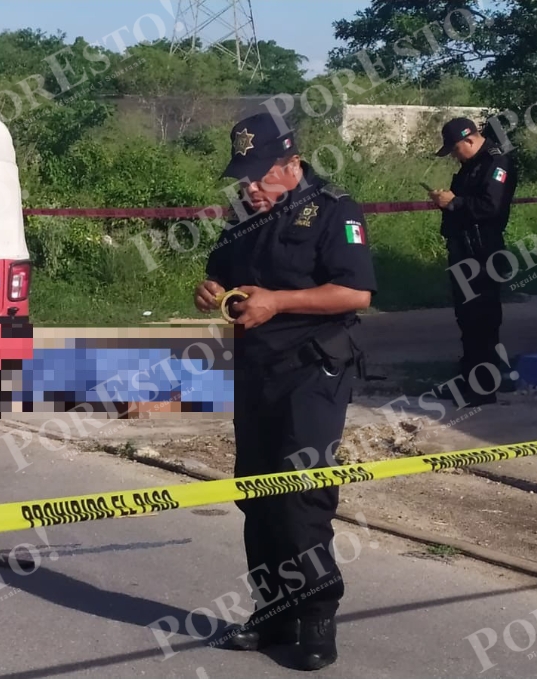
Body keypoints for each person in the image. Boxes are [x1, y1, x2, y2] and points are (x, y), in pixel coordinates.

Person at [194, 111, 376, 671]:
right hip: (256, 369)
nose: (250, 186)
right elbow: (220, 272)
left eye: (260, 175)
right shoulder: (244, 213)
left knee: (301, 492)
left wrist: (279, 301)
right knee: (256, 491)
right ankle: (272, 611)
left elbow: (355, 293)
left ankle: (317, 615)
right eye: (243, 177)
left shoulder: (336, 211)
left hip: (312, 370)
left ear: (292, 162)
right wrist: (210, 291)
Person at [428, 117, 518, 406]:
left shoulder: (496, 163)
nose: (454, 155)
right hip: (464, 250)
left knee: (483, 319)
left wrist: (453, 202)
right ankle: (468, 381)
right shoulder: (471, 165)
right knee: (467, 319)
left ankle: (483, 389)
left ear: (469, 139)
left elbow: (491, 207)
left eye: (455, 149)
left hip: (482, 252)